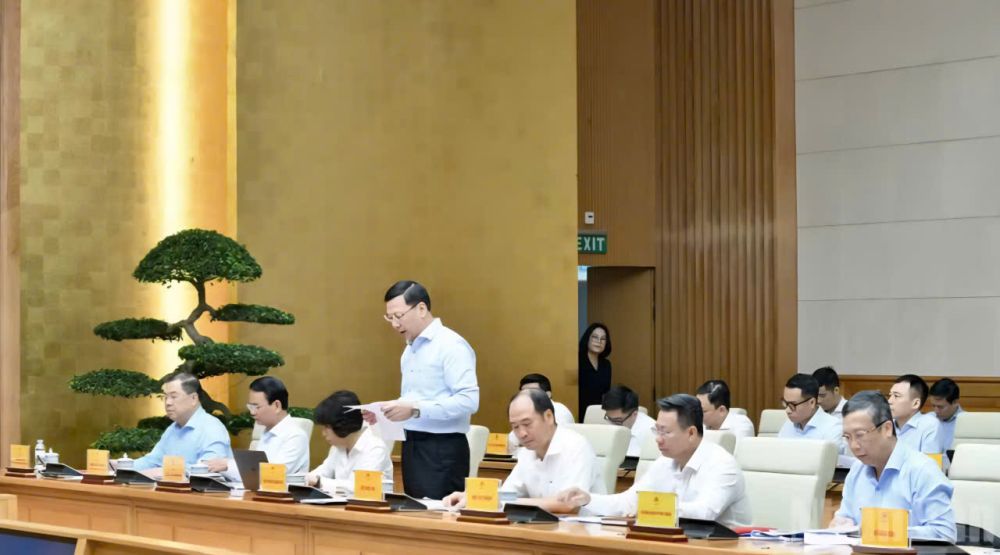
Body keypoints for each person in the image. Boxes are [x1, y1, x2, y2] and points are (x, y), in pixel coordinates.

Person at [556, 394, 752, 527]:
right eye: (656, 430)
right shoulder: (665, 462)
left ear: (691, 433)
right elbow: (629, 501)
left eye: (665, 432)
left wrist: (652, 508)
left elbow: (705, 512)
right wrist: (588, 499)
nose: (658, 439)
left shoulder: (722, 464)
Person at [376, 280, 479, 499]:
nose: (394, 324)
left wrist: (415, 409)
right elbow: (414, 398)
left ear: (421, 308)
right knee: (413, 512)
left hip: (442, 448)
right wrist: (385, 411)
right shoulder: (410, 350)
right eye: (389, 318)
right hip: (412, 443)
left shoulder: (451, 345)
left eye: (398, 316)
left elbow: (469, 401)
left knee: (439, 514)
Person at [443, 389, 601, 512]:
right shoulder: (527, 452)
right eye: (515, 426)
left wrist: (503, 500)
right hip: (544, 527)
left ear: (548, 416)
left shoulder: (576, 446)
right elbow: (509, 494)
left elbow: (569, 504)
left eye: (527, 424)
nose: (522, 433)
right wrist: (475, 497)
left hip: (586, 532)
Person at [831, 391, 956, 542]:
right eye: (847, 437)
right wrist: (839, 524)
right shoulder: (857, 470)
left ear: (887, 429)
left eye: (860, 435)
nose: (854, 446)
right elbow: (845, 518)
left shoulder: (922, 470)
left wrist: (884, 532)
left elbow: (945, 534)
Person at [132, 372, 233, 474]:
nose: (168, 403)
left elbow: (208, 468)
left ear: (193, 398)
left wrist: (164, 472)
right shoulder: (172, 429)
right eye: (165, 397)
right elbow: (152, 461)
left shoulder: (212, 428)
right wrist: (124, 466)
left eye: (174, 397)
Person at [214, 376, 310, 476]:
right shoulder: (266, 431)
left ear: (277, 406)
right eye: (250, 407)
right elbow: (252, 471)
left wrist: (229, 466)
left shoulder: (295, 436)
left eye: (257, 407)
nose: (252, 413)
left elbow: (273, 474)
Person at [307, 390, 393, 494]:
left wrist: (318, 482)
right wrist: (306, 479)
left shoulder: (375, 449)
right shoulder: (338, 446)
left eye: (327, 427)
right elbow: (321, 472)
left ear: (342, 425)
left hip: (368, 503)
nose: (323, 433)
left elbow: (359, 487)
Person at [778, 373, 845, 453]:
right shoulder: (788, 424)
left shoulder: (832, 427)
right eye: (785, 403)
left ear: (812, 402)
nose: (788, 410)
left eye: (793, 405)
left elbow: (829, 460)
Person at [508, 373, 575, 450]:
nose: (528, 397)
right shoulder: (527, 411)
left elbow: (552, 442)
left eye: (534, 393)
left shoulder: (560, 410)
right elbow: (512, 441)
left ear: (548, 394)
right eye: (524, 394)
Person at [888, 374, 940, 454]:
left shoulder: (930, 425)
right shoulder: (886, 424)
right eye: (890, 395)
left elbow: (930, 461)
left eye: (896, 396)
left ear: (915, 403)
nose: (889, 401)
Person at [601, 385, 656, 456]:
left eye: (618, 420)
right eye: (609, 418)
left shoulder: (652, 434)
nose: (612, 425)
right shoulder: (611, 423)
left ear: (634, 414)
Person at [578, 323, 611, 422]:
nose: (599, 341)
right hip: (578, 412)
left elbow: (606, 394)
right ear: (587, 339)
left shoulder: (606, 364)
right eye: (595, 337)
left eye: (603, 339)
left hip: (599, 414)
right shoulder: (577, 361)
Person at [928, 378, 962, 455]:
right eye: (933, 406)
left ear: (955, 402)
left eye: (940, 407)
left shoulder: (969, 422)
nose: (936, 411)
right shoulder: (927, 419)